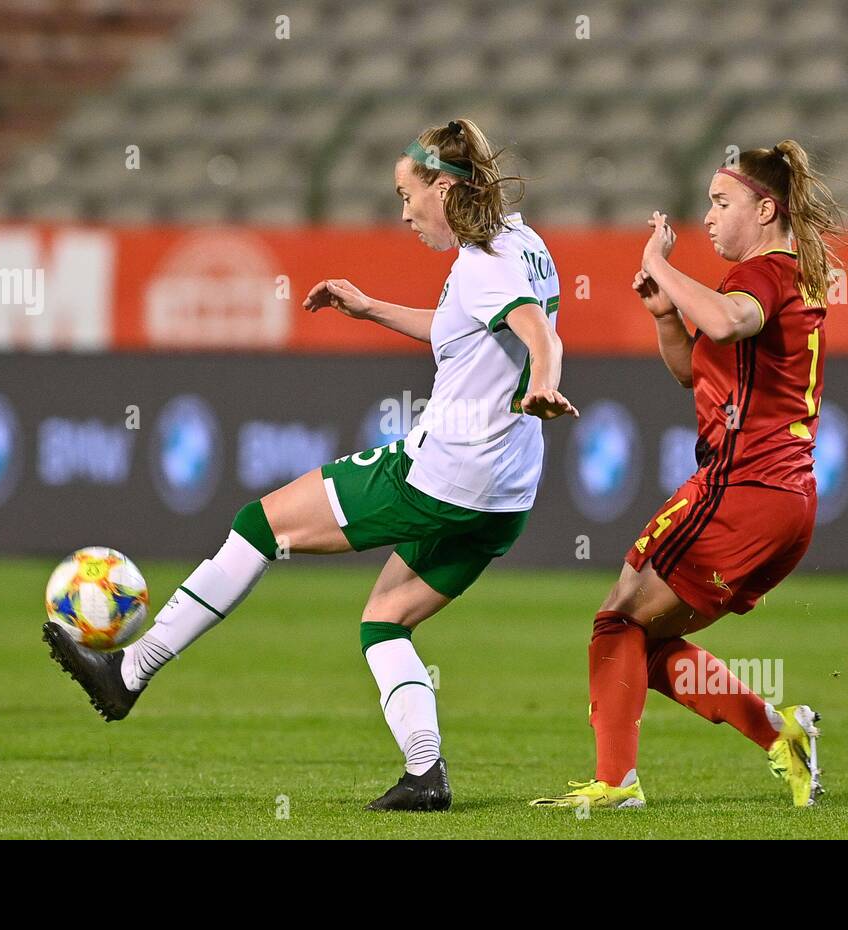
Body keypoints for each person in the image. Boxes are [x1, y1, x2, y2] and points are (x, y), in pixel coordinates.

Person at [44, 118, 578, 812]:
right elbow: (478, 323)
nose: (404, 212)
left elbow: (534, 330)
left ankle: (131, 672)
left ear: (442, 188)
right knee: (385, 620)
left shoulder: (485, 266)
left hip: (440, 474)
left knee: (258, 525)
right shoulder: (521, 245)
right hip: (504, 497)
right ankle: (426, 775)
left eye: (405, 194)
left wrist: (542, 378)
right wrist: (371, 308)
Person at [531, 140, 845, 810]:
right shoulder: (785, 278)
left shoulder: (762, 277)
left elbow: (730, 321)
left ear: (765, 209)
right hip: (785, 503)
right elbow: (697, 373)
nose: (707, 216)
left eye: (720, 202)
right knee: (639, 638)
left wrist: (657, 265)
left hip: (743, 488)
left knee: (617, 618)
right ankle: (781, 735)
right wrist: (667, 315)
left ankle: (617, 783)